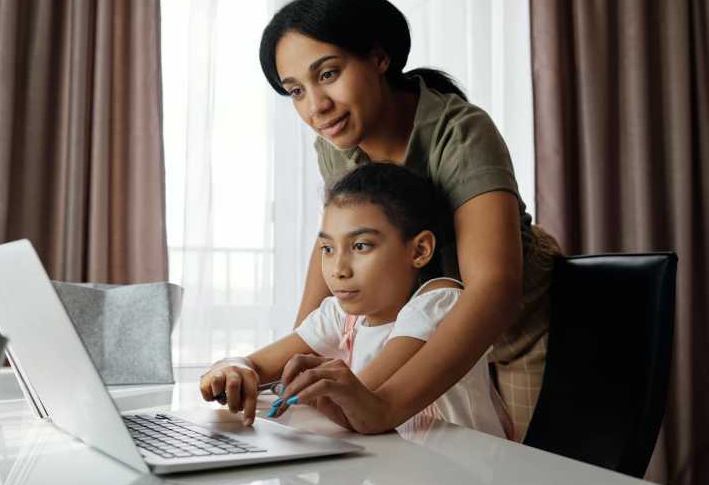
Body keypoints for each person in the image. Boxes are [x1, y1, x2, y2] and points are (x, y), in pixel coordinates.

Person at [252, 0, 562, 441]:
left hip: (516, 328)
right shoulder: (335, 144)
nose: (316, 106)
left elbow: (494, 287)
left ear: (380, 58)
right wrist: (299, 363)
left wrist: (387, 405)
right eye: (295, 90)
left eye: (328, 74)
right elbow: (332, 250)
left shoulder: (460, 132)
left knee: (528, 478)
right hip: (423, 326)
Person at [200, 163, 507, 438]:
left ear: (419, 250)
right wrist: (231, 369)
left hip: (459, 477)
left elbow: (361, 402)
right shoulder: (342, 316)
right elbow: (255, 363)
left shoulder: (439, 303)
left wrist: (303, 383)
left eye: (361, 246)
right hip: (395, 472)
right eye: (328, 249)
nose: (338, 270)